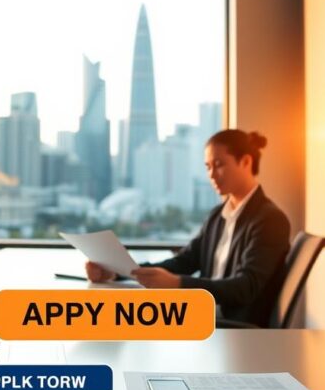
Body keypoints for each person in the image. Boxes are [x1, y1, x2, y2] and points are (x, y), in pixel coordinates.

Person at [86, 129, 291, 326]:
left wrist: (178, 284)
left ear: (246, 162)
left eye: (219, 164)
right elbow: (185, 261)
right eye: (208, 167)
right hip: (206, 315)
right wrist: (117, 272)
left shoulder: (270, 220)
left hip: (232, 326)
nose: (212, 174)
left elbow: (245, 287)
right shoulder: (218, 216)